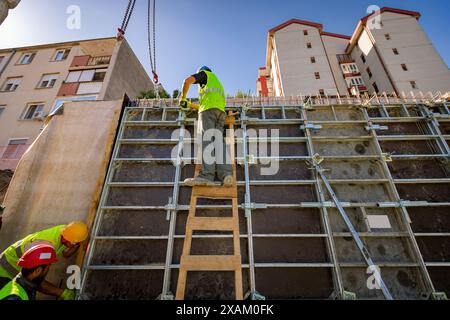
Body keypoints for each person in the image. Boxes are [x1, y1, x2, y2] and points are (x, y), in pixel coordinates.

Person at [0, 221, 88, 299]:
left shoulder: (65, 232)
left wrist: (76, 245)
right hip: (5, 269)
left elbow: (65, 254)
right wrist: (62, 293)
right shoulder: (46, 245)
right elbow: (36, 278)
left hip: (16, 268)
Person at [179, 66, 233, 187]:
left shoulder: (204, 75)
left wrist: (182, 98)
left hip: (208, 112)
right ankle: (226, 175)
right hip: (220, 113)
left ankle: (206, 176)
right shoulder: (216, 83)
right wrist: (189, 104)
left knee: (207, 142)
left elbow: (187, 81)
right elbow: (205, 105)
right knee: (218, 143)